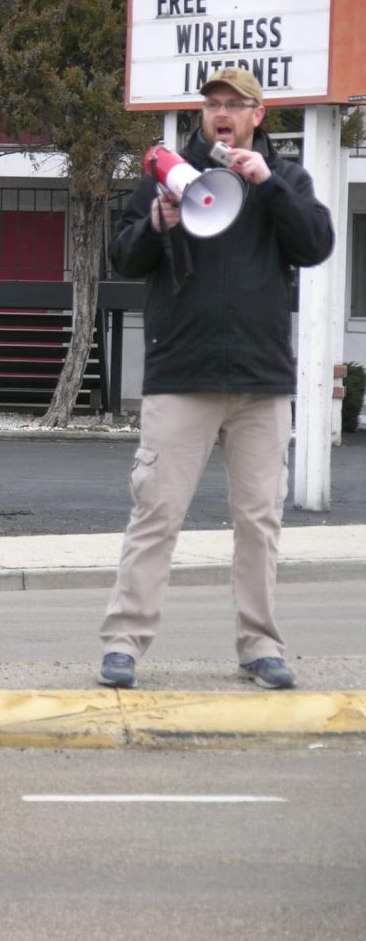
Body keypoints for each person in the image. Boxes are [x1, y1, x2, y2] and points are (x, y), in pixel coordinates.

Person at [98, 67, 334, 690]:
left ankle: (259, 646)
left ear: (260, 114)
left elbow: (316, 245)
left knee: (260, 520)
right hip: (182, 373)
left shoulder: (285, 177)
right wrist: (155, 224)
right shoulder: (167, 173)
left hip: (260, 381)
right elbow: (121, 254)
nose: (221, 113)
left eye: (235, 104)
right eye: (213, 105)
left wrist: (271, 188)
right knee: (157, 512)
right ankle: (124, 642)